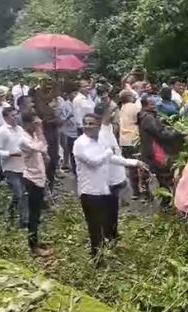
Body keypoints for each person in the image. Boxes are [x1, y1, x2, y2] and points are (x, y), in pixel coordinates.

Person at [73, 113, 147, 262]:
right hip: (90, 192)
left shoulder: (99, 141)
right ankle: (97, 259)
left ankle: (105, 251)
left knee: (105, 222)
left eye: (91, 123)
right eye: (85, 123)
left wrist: (134, 162)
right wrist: (108, 152)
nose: (87, 126)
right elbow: (94, 161)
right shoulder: (80, 143)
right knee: (95, 227)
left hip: (103, 190)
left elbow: (111, 158)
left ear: (99, 126)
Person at [95, 102, 132, 243]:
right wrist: (130, 162)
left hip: (115, 175)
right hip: (107, 177)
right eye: (111, 112)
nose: (114, 115)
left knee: (113, 206)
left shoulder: (108, 128)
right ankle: (107, 234)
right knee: (108, 207)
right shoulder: (99, 134)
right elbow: (109, 157)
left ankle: (113, 232)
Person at [138, 96, 184, 206]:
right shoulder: (148, 118)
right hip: (155, 150)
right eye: (151, 105)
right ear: (145, 106)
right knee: (163, 176)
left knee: (159, 176)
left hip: (151, 149)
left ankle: (161, 199)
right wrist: (177, 135)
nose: (154, 106)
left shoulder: (147, 116)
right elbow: (160, 134)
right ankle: (165, 201)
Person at [19, 112, 52, 257]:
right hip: (31, 179)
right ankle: (33, 247)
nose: (37, 126)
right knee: (34, 214)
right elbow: (40, 147)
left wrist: (44, 153)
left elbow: (44, 148)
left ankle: (36, 241)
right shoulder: (23, 139)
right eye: (35, 124)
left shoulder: (33, 136)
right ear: (26, 124)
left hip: (39, 177)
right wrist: (40, 131)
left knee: (38, 213)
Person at [0, 107, 28, 228]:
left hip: (23, 165)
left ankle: (18, 215)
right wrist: (10, 153)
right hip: (10, 167)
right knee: (19, 193)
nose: (16, 118)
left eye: (16, 115)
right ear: (5, 117)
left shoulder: (20, 129)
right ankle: (19, 217)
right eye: (12, 116)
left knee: (23, 193)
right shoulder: (1, 132)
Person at [35, 81, 61, 194]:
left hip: (54, 134)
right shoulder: (39, 104)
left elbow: (59, 121)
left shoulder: (54, 102)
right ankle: (45, 191)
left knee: (53, 162)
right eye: (47, 89)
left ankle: (50, 188)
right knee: (46, 163)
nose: (50, 92)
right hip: (44, 135)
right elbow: (41, 120)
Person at [119, 90, 142, 197]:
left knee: (131, 166)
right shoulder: (134, 107)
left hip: (124, 140)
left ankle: (135, 191)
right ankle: (144, 191)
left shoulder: (122, 108)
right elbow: (140, 118)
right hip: (134, 138)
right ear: (129, 97)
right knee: (140, 165)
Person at [59, 91, 77, 172]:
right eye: (73, 93)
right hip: (67, 129)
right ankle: (66, 163)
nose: (75, 95)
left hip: (76, 129)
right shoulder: (64, 105)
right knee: (66, 147)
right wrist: (68, 116)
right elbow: (62, 118)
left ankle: (73, 165)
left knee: (74, 149)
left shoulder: (77, 103)